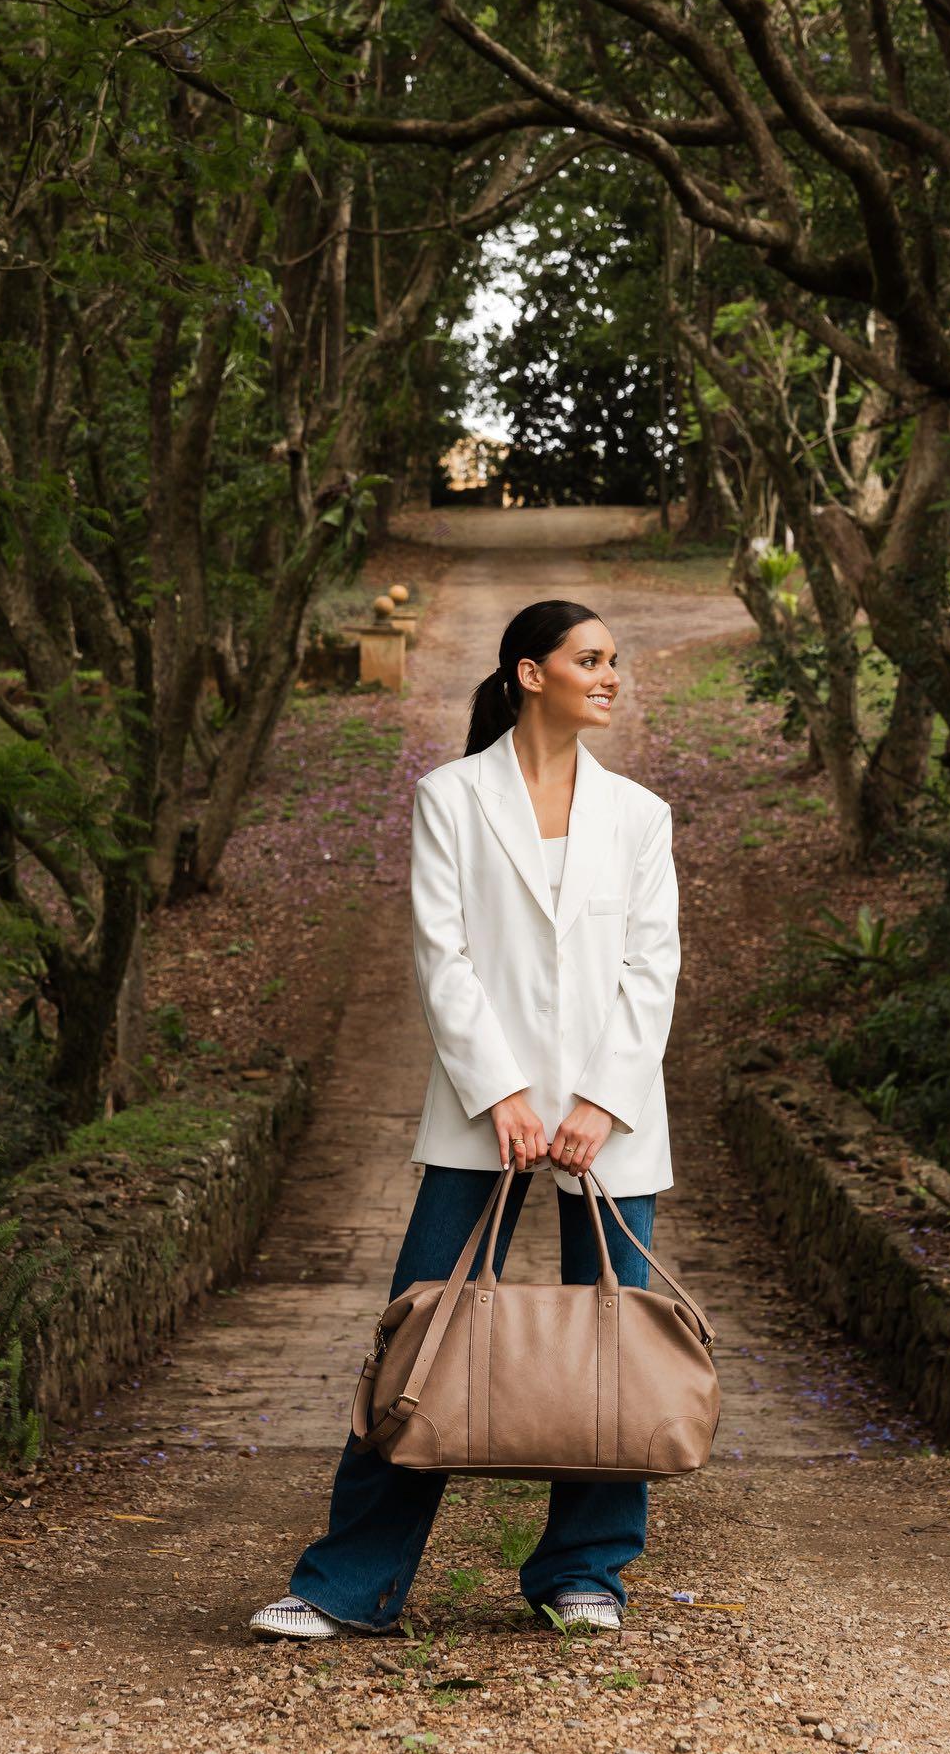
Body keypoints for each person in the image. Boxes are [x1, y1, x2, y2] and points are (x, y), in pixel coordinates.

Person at [248, 598, 680, 1640]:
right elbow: (440, 957)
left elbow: (651, 966)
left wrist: (601, 1100)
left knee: (614, 1346)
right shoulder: (448, 797)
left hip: (610, 1119)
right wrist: (501, 1092)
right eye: (590, 658)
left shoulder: (639, 815)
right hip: (483, 1111)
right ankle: (349, 1583)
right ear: (531, 672)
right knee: (421, 1340)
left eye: (614, 660)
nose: (610, 675)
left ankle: (584, 1571)